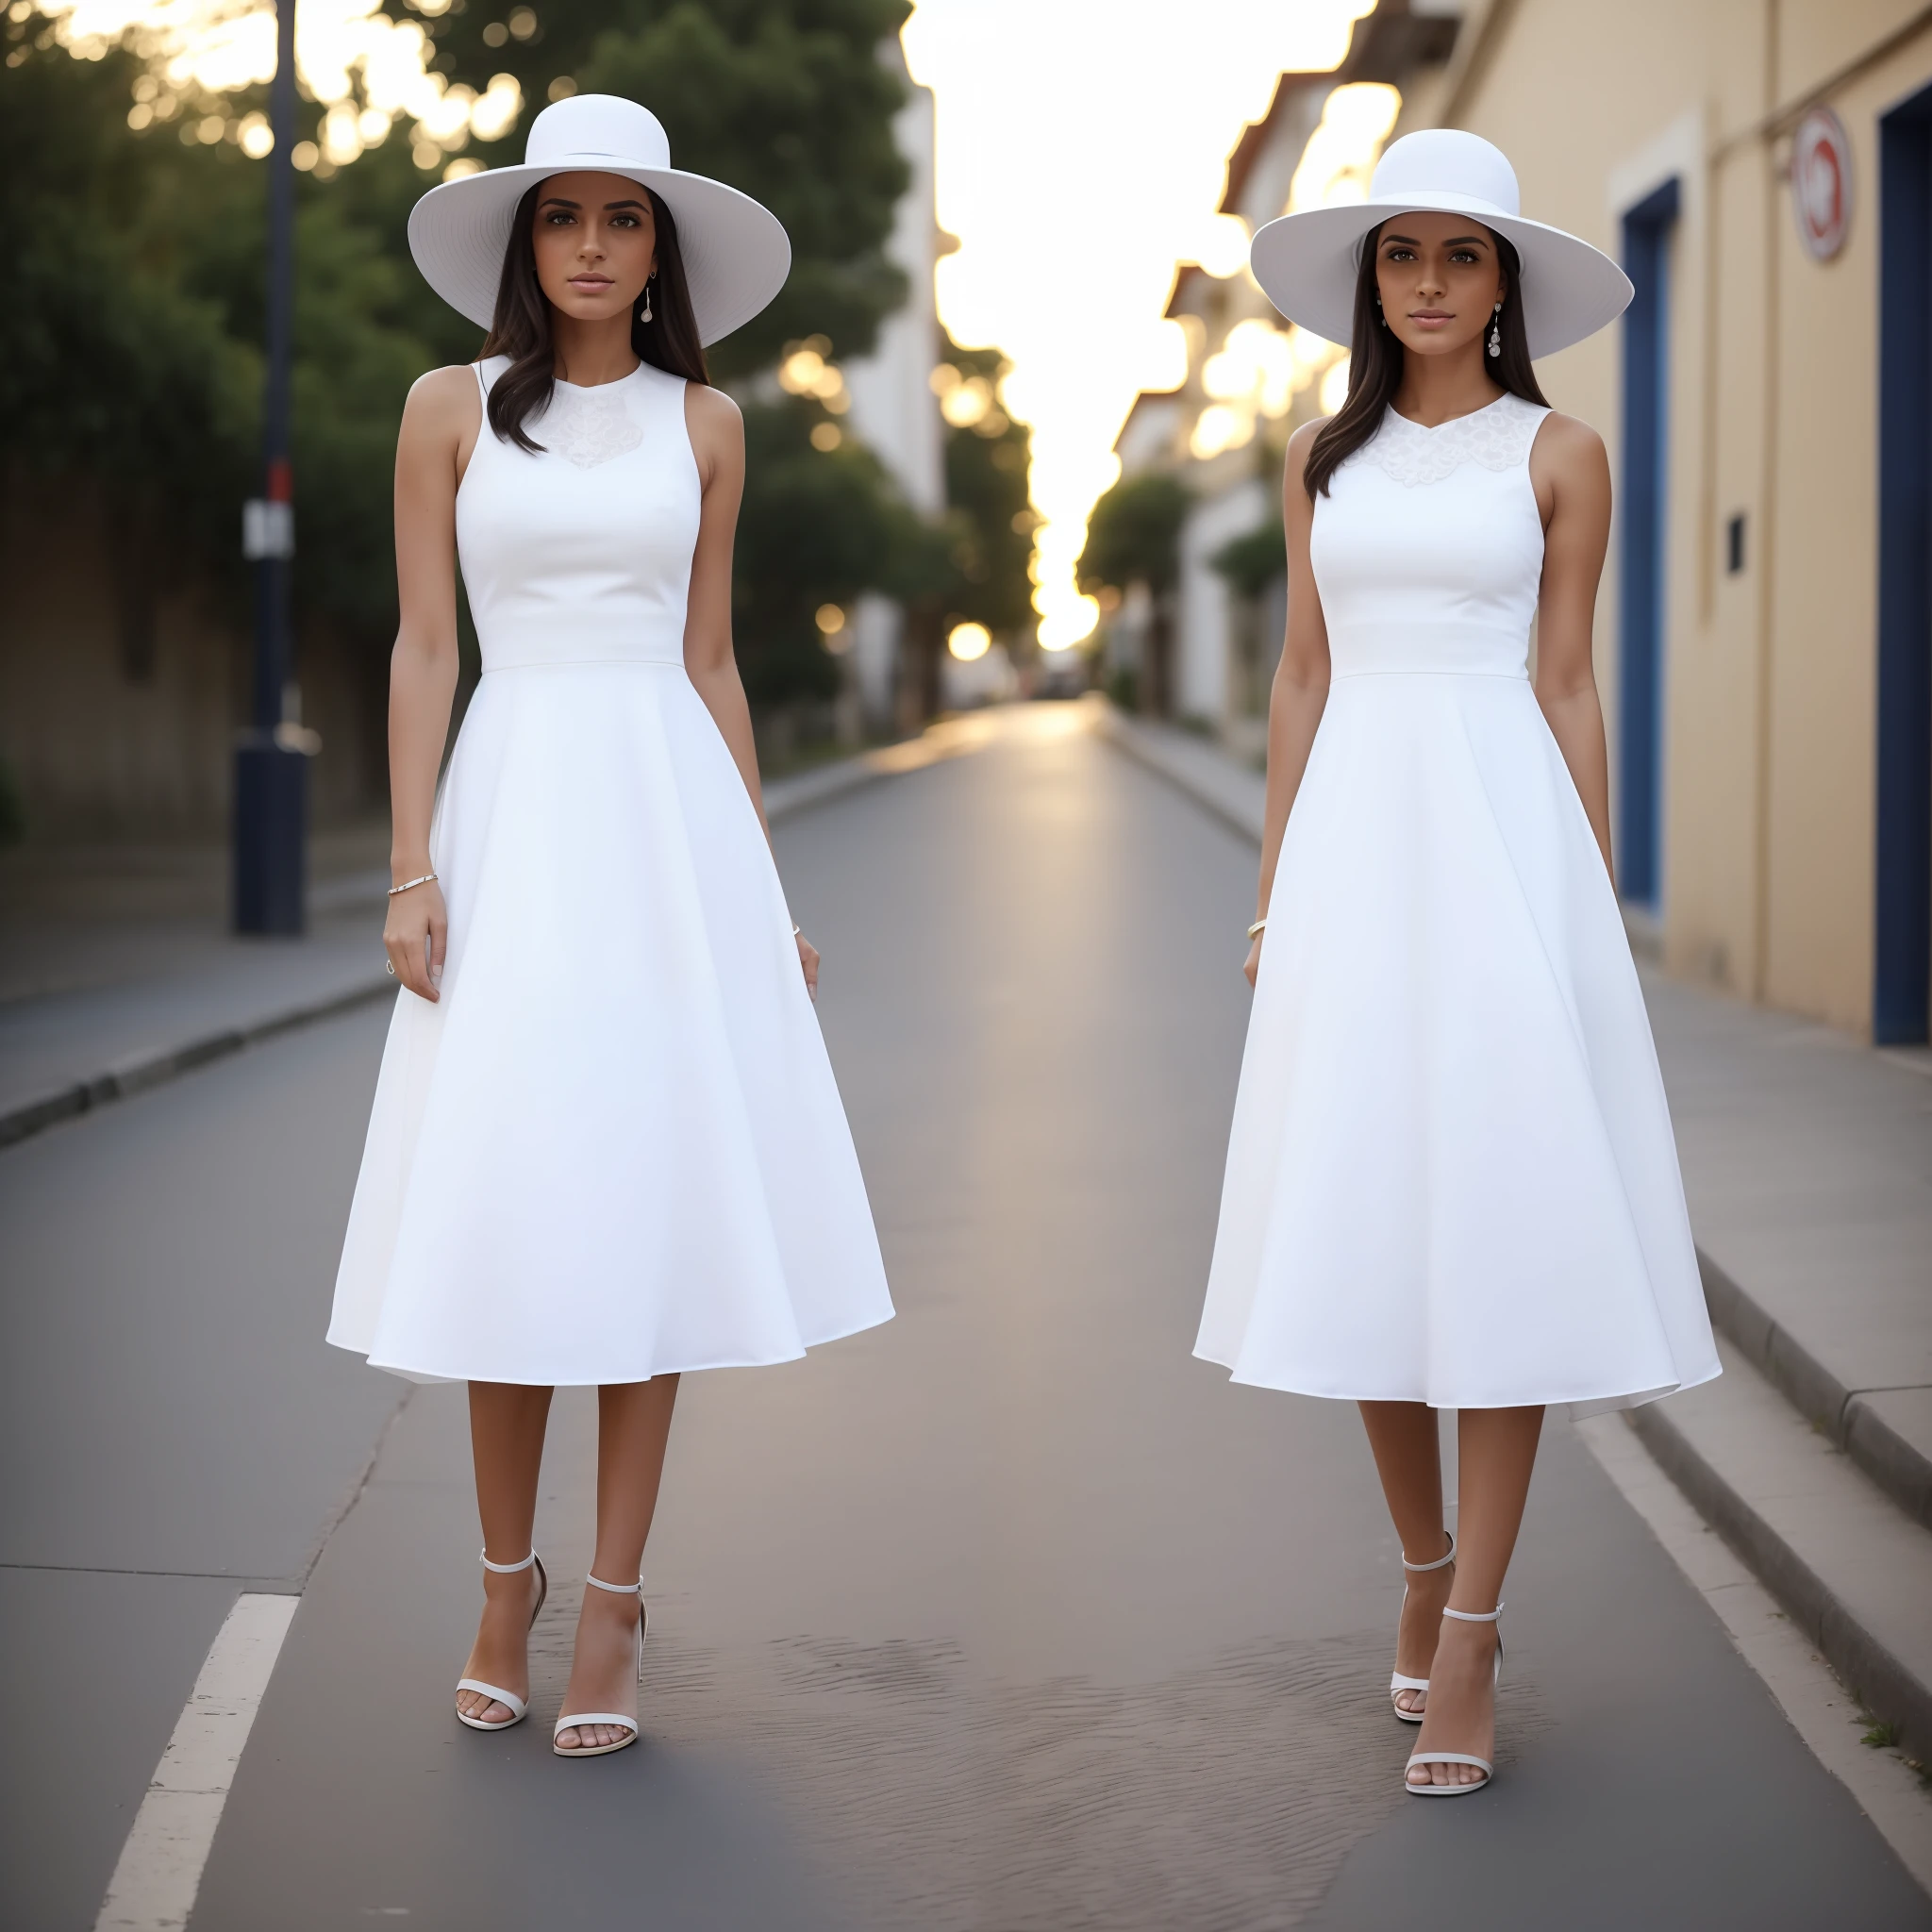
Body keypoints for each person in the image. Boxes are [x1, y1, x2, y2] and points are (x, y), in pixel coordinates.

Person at [326, 94, 893, 1759]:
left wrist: (763, 895)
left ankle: (619, 1607)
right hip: (511, 819)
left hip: (666, 834)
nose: (590, 245)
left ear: (661, 247)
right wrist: (411, 866)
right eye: (562, 217)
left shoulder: (707, 424)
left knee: (639, 1222)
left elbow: (712, 663)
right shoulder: (444, 409)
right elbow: (425, 653)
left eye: (621, 218)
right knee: (514, 1213)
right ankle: (508, 1587)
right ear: (528, 243)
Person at [1194, 129, 1719, 1796]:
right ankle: (1421, 1567)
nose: (1429, 285)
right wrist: (1275, 897)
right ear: (1373, 284)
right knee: (1366, 1225)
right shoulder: (1315, 458)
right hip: (1353, 861)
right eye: (1402, 258)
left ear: (1504, 284)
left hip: (1505, 853)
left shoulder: (1560, 453)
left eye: (1461, 257)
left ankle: (1474, 1631)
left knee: (1496, 1230)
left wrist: (1591, 905)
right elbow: (1296, 683)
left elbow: (1570, 685)